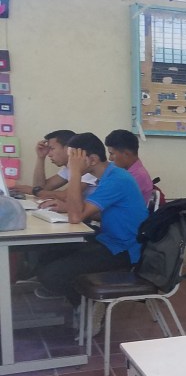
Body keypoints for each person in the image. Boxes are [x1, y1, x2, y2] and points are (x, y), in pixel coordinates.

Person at [34, 132, 149, 304]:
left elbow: (75, 217)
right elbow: (89, 212)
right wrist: (68, 207)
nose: (70, 164)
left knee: (51, 275)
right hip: (108, 239)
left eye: (74, 160)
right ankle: (81, 302)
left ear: (93, 160)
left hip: (124, 249)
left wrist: (75, 173)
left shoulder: (117, 179)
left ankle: (90, 307)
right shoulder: (108, 175)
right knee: (47, 254)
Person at [12, 129, 97, 199]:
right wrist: (41, 158)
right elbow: (42, 188)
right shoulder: (68, 168)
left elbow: (67, 195)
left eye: (52, 149)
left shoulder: (86, 166)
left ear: (69, 149)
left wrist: (33, 191)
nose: (49, 154)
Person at [104, 129, 154, 201]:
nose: (110, 158)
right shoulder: (126, 171)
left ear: (126, 154)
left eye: (112, 154)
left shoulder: (137, 177)